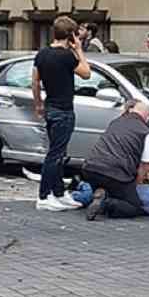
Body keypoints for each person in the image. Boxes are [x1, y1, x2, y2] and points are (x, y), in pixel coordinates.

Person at [32, 16, 91, 211]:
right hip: (64, 110)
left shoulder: (42, 54)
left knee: (58, 152)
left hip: (50, 107)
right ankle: (44, 195)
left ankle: (58, 192)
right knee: (55, 154)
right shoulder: (67, 56)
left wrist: (38, 104)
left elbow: (35, 81)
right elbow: (86, 73)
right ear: (71, 36)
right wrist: (79, 50)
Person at [83, 101, 149, 221]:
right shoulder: (146, 133)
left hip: (90, 169)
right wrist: (135, 184)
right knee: (134, 206)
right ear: (147, 118)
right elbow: (145, 164)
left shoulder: (115, 122)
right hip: (116, 175)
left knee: (109, 186)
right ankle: (106, 203)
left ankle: (101, 192)